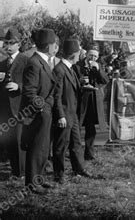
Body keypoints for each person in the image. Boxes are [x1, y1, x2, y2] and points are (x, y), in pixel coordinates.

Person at [19, 28, 58, 193]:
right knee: (36, 148)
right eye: (54, 44)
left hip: (44, 112)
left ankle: (38, 179)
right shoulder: (34, 63)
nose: (56, 47)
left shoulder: (42, 61)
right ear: (49, 46)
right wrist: (42, 108)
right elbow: (29, 92)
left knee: (42, 148)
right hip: (36, 114)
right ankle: (32, 184)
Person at [52, 39, 92, 184]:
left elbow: (70, 89)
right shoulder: (60, 70)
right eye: (79, 53)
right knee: (61, 145)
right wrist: (60, 116)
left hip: (72, 113)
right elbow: (56, 96)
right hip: (64, 114)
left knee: (76, 142)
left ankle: (79, 168)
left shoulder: (69, 68)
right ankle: (59, 175)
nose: (80, 56)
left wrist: (82, 85)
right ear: (74, 54)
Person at [0, 27, 28, 178]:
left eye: (12, 43)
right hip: (5, 108)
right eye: (6, 43)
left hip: (20, 107)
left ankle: (21, 172)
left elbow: (32, 84)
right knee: (9, 141)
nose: (8, 46)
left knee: (19, 140)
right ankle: (14, 170)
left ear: (19, 44)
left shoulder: (25, 61)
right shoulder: (2, 62)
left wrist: (19, 86)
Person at [73, 46, 108, 160]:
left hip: (93, 100)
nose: (92, 58)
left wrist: (98, 70)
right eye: (91, 55)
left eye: (95, 56)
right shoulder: (77, 66)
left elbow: (104, 81)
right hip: (81, 100)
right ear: (86, 55)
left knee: (91, 127)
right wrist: (80, 82)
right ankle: (74, 152)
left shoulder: (97, 66)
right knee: (76, 126)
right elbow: (72, 81)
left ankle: (89, 153)